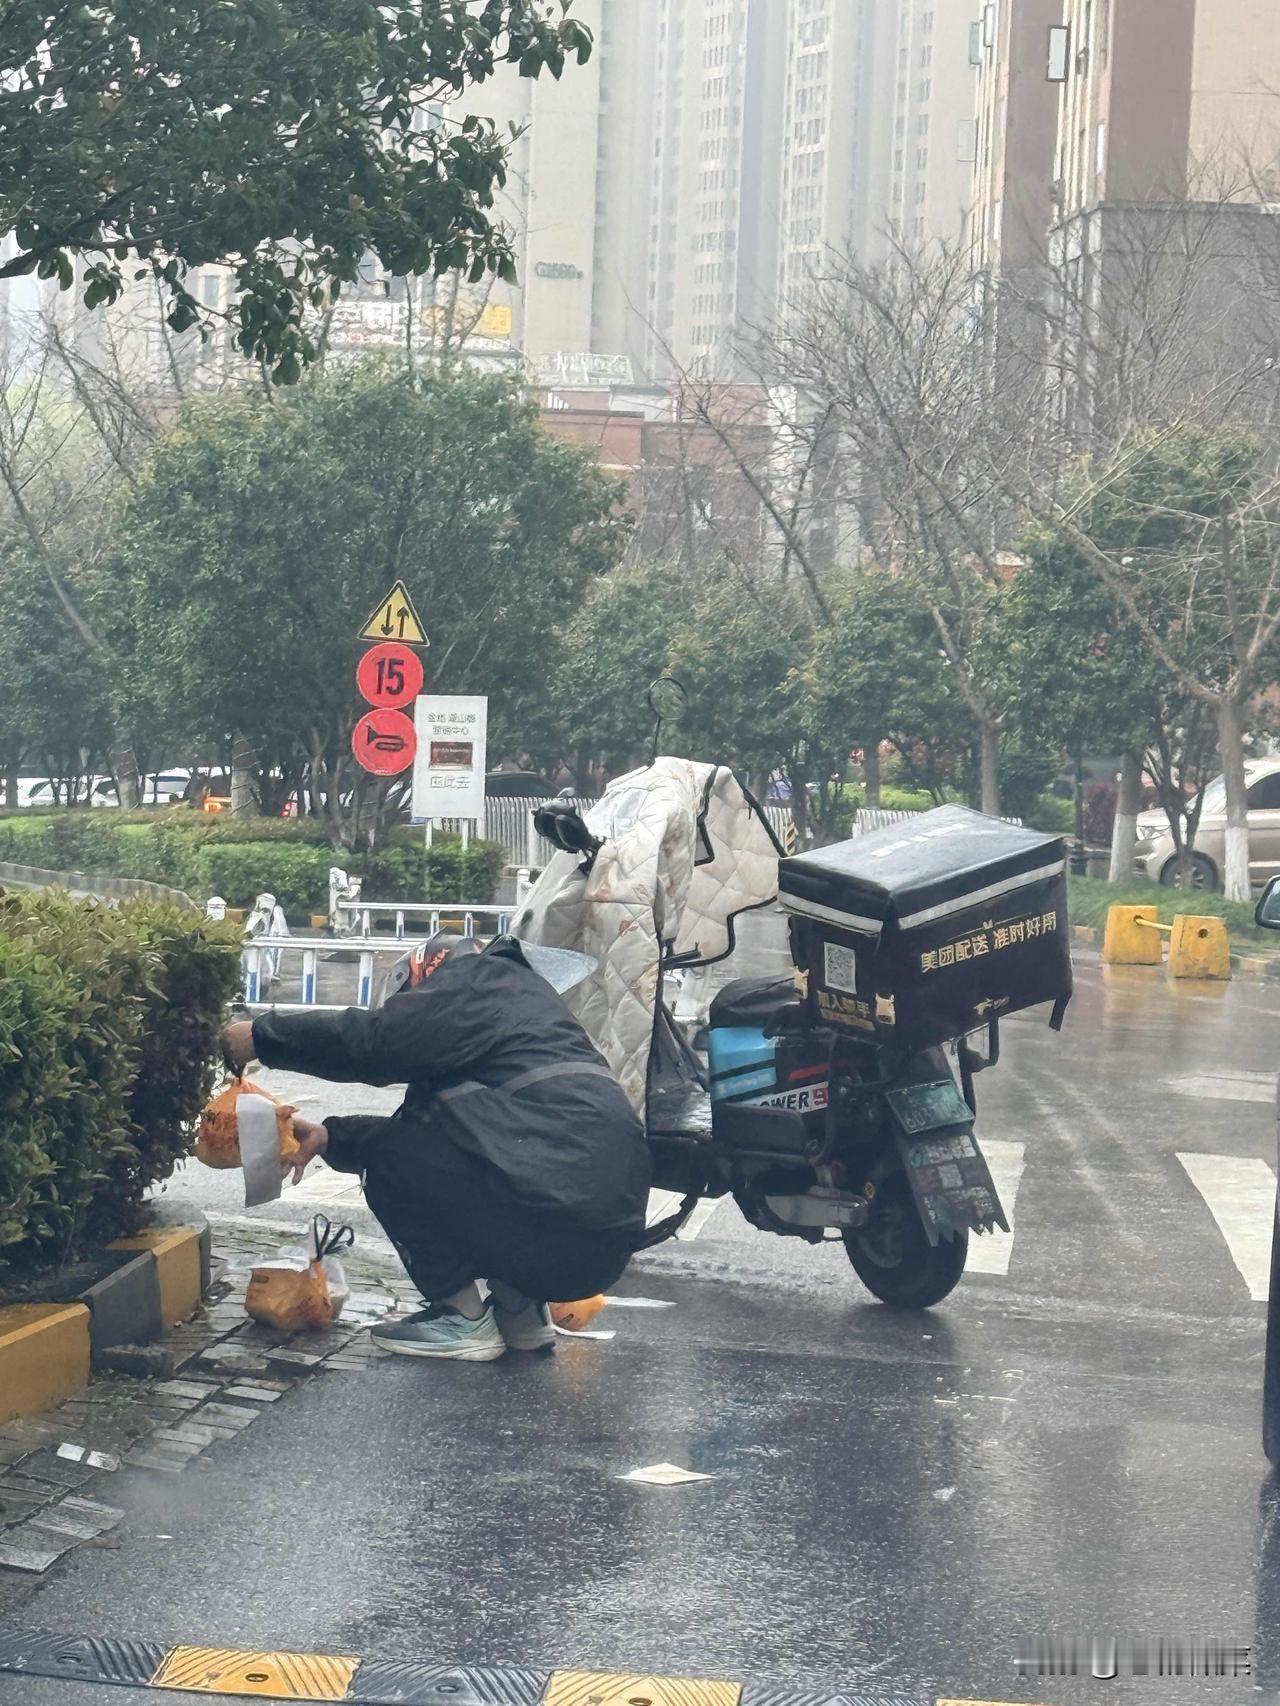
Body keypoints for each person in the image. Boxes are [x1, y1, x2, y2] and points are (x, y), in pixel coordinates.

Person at [221, 934, 651, 1363]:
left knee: (388, 1158)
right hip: (604, 1247)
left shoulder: (476, 978)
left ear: (429, 971)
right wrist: (332, 1136)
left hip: (545, 1215)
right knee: (473, 1157)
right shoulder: (528, 1009)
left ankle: (460, 1317)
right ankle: (521, 1316)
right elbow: (440, 1137)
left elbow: (376, 1043)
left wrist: (264, 1037)